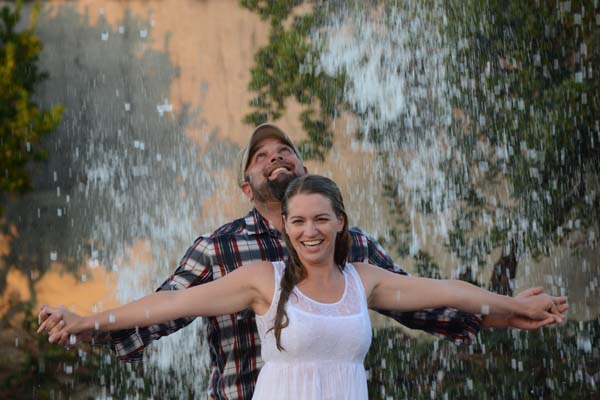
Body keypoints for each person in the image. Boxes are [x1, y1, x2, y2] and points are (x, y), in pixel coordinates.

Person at [38, 124, 568, 399]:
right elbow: (167, 307)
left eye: (285, 150)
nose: (276, 156)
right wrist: (89, 325)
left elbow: (426, 298)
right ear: (247, 186)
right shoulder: (222, 250)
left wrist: (503, 311)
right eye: (262, 155)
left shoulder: (353, 249)